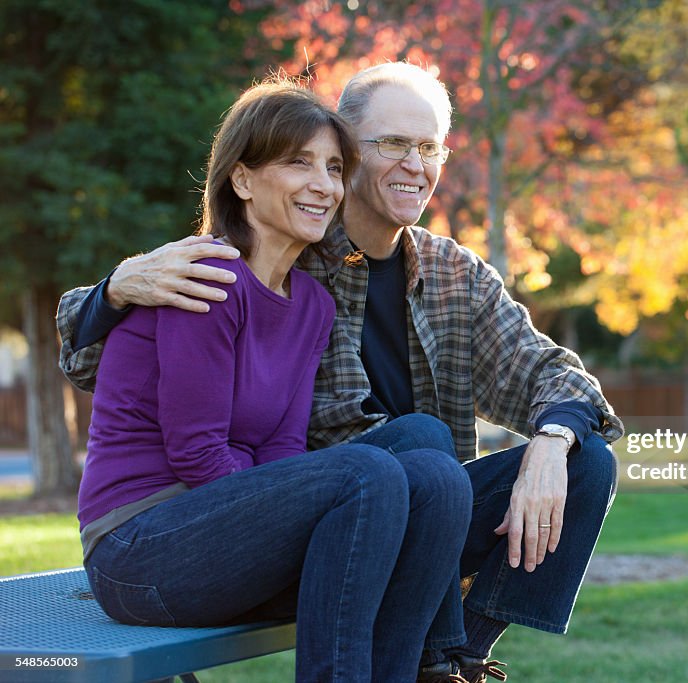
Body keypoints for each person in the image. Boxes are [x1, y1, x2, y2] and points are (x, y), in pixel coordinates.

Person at [58, 62, 623, 683]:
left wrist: (551, 439)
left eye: (429, 147)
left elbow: (555, 374)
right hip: (256, 512)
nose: (414, 163)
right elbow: (101, 363)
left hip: (373, 510)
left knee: (560, 458)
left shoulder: (428, 280)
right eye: (392, 144)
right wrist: (113, 290)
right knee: (411, 449)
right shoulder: (222, 269)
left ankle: (451, 659)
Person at [72, 76, 473, 683]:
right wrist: (307, 511)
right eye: (299, 163)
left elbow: (283, 449)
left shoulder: (311, 303)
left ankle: (429, 668)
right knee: (365, 472)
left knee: (430, 457)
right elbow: (198, 454)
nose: (324, 185)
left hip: (228, 534)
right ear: (241, 179)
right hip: (142, 551)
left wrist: (300, 513)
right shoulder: (201, 279)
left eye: (335, 168)